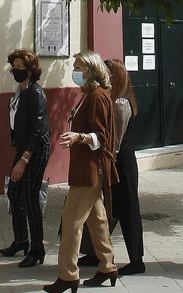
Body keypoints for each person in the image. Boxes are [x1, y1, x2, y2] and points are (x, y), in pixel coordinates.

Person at [44, 51, 118, 292]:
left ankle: (68, 275)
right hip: (85, 168)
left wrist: (80, 137)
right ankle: (107, 266)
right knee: (97, 220)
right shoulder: (90, 94)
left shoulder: (97, 96)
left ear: (91, 70)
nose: (75, 71)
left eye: (78, 67)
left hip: (89, 170)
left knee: (71, 222)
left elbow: (103, 136)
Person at [78, 59, 146, 275]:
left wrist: (103, 162)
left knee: (127, 211)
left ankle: (136, 260)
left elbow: (114, 142)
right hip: (115, 163)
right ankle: (96, 252)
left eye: (107, 73)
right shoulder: (112, 99)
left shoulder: (120, 103)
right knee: (107, 209)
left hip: (121, 165)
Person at [1, 49, 50, 268]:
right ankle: (21, 240)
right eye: (13, 66)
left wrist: (23, 160)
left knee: (30, 198)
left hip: (35, 150)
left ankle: (37, 249)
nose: (15, 70)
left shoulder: (35, 93)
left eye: (19, 67)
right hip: (23, 148)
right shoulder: (20, 91)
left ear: (30, 71)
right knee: (13, 193)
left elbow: (37, 130)